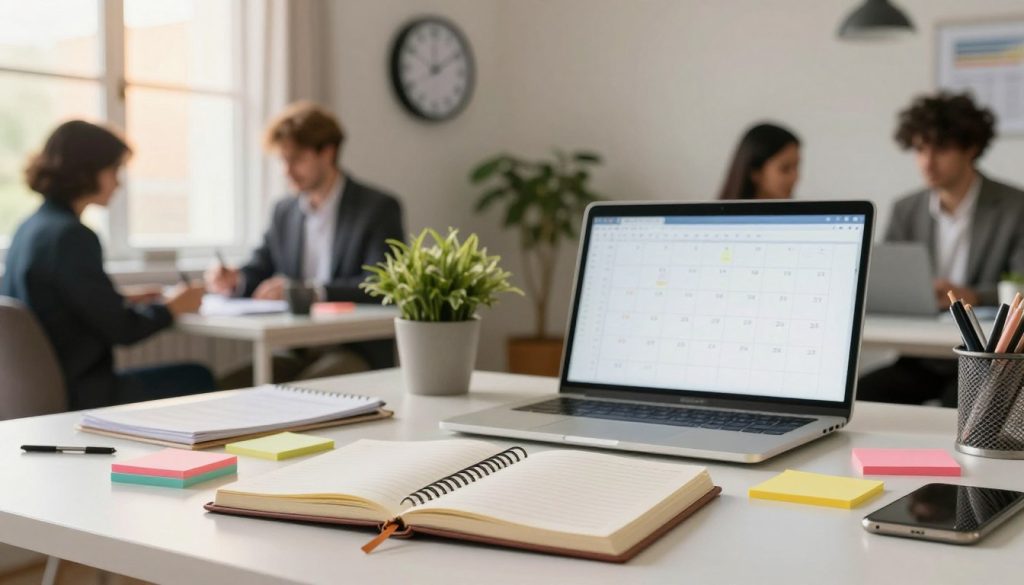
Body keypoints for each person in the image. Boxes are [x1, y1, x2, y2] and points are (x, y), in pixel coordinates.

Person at [0, 121, 214, 410]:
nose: (118, 183)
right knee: (197, 377)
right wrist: (174, 306)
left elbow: (57, 305)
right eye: (114, 170)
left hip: (31, 392)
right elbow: (123, 330)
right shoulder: (72, 236)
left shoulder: (29, 228)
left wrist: (120, 298)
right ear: (87, 171)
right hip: (83, 394)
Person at [205, 102, 404, 384]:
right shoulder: (285, 211)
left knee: (303, 392)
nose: (287, 171)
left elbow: (382, 286)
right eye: (282, 160)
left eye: (296, 159)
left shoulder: (377, 208)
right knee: (225, 387)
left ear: (328, 152)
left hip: (355, 346)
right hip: (299, 347)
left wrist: (310, 292)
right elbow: (259, 267)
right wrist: (233, 280)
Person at [859, 91, 1024, 406]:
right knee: (865, 397)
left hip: (985, 358)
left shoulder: (1015, 207)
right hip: (921, 356)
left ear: (970, 148)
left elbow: (1020, 286)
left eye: (941, 149)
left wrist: (973, 296)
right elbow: (891, 284)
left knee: (957, 406)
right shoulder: (906, 208)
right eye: (920, 149)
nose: (927, 161)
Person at [718, 123, 801, 200]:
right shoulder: (717, 215)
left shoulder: (801, 214)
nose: (795, 177)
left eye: (796, 167)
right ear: (755, 172)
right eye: (785, 168)